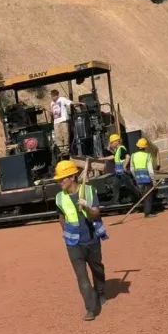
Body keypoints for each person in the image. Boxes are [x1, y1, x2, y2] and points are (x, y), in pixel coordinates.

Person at [54, 160, 108, 321]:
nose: (59, 182)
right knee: (81, 276)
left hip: (91, 239)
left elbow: (96, 214)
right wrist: (66, 232)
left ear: (72, 177)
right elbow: (61, 217)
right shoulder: (59, 197)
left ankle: (100, 292)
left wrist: (87, 207)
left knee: (97, 268)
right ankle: (91, 308)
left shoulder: (89, 191)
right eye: (58, 179)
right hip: (73, 243)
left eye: (62, 178)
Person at [130, 138, 157, 217]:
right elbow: (150, 170)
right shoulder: (147, 155)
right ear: (145, 147)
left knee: (143, 196)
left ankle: (146, 210)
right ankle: (147, 213)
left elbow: (132, 169)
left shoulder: (133, 156)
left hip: (138, 179)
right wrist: (154, 181)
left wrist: (136, 177)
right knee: (148, 196)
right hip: (147, 179)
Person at [109, 133, 137, 206]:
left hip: (123, 172)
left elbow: (128, 156)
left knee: (130, 186)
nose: (111, 144)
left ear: (116, 142)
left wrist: (124, 166)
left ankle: (138, 197)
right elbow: (114, 157)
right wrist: (102, 158)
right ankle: (116, 201)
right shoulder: (118, 150)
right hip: (119, 173)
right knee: (115, 185)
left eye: (111, 143)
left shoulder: (121, 148)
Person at [50, 89, 75, 154]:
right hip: (56, 122)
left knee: (65, 134)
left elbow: (71, 102)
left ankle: (66, 150)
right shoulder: (52, 103)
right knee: (58, 136)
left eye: (53, 96)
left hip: (63, 120)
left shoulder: (62, 99)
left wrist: (80, 103)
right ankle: (61, 150)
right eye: (52, 96)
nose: (52, 97)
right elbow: (52, 112)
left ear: (57, 95)